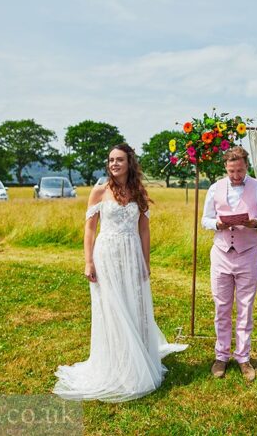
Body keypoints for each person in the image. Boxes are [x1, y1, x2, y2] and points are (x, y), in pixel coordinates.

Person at [53, 143, 187, 402]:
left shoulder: (138, 191)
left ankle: (138, 359)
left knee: (134, 306)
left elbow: (144, 230)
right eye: (111, 159)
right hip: (107, 255)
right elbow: (90, 230)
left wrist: (145, 262)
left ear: (129, 163)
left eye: (120, 160)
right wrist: (88, 262)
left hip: (132, 254)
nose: (114, 164)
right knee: (112, 308)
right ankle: (116, 366)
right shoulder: (99, 191)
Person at [201, 146, 257, 382]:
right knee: (221, 306)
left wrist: (255, 223)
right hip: (221, 253)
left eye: (240, 170)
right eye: (232, 171)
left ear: (247, 166)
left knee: (245, 307)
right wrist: (217, 225)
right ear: (225, 167)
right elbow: (205, 220)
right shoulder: (214, 189)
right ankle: (221, 356)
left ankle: (243, 357)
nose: (236, 175)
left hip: (248, 254)